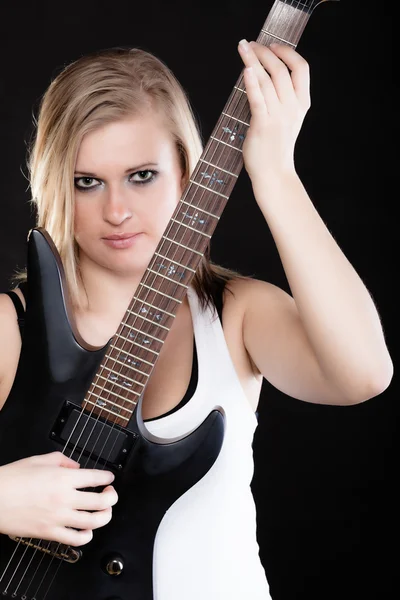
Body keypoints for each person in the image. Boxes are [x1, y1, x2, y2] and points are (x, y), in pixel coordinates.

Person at [0, 39, 393, 599]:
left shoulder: (236, 315)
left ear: (188, 172)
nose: (117, 210)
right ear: (54, 183)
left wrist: (276, 175)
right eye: (87, 181)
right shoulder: (12, 329)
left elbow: (364, 375)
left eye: (142, 175)